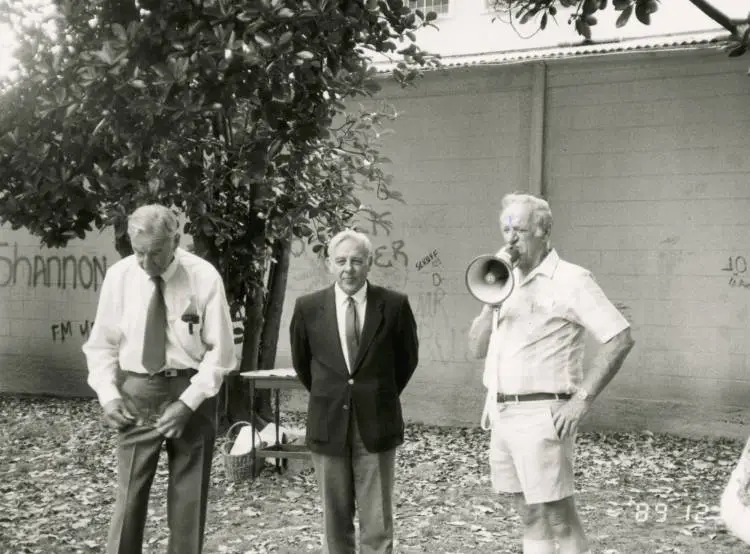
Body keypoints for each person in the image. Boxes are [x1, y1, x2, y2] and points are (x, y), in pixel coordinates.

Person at [468, 192, 635, 554]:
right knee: (528, 513)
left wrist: (581, 401)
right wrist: (489, 304)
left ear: (543, 231)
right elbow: (476, 349)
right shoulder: (502, 282)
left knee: (559, 516)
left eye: (520, 230)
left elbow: (620, 338)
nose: (510, 239)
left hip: (543, 413)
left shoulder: (571, 279)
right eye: (505, 228)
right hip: (501, 412)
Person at [82, 204, 237, 554]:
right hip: (137, 391)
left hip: (192, 390)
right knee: (130, 496)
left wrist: (188, 402)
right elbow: (101, 344)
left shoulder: (204, 276)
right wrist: (108, 395)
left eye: (156, 253)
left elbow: (221, 353)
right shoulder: (120, 276)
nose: (147, 263)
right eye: (139, 253)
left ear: (176, 240)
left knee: (189, 497)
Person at [289, 228, 419, 554]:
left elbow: (407, 360)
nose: (349, 268)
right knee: (335, 520)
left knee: (377, 521)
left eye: (357, 261)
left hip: (376, 424)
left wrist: (375, 394)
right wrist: (334, 395)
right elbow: (304, 365)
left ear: (369, 263)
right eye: (342, 261)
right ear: (329, 264)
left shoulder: (394, 306)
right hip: (328, 422)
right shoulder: (308, 308)